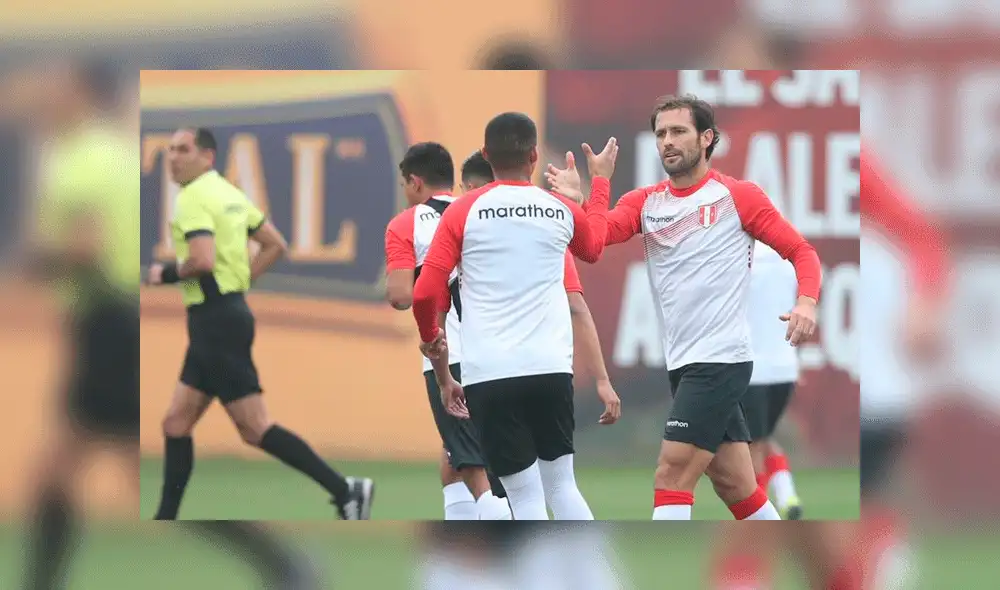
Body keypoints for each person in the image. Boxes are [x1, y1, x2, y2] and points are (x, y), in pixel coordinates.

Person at [547, 94, 822, 521]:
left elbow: (801, 251)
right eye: (660, 134)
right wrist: (589, 191)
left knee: (671, 475)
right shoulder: (644, 202)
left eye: (678, 131)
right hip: (684, 362)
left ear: (707, 138)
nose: (667, 142)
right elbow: (591, 245)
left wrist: (806, 301)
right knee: (738, 487)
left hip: (720, 361)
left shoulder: (738, 196)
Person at [146, 127, 374, 520]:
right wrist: (239, 283)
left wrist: (163, 275)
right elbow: (276, 245)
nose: (174, 157)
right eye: (170, 150)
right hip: (223, 315)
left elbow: (200, 260)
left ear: (207, 157)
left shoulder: (193, 197)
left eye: (183, 150)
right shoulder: (229, 193)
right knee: (176, 422)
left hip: (215, 322)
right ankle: (166, 518)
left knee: (254, 428)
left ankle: (346, 490)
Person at [411, 112, 618, 520]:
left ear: (487, 156)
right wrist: (601, 183)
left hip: (490, 373)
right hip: (551, 370)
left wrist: (434, 350)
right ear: (535, 156)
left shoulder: (462, 211)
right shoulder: (557, 208)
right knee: (562, 487)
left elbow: (424, 293)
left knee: (523, 499)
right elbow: (594, 247)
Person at [17, 59, 141, 590]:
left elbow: (85, 247)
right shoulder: (112, 152)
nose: (46, 94)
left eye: (57, 84)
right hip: (119, 321)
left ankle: (286, 564)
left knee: (60, 468)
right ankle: (285, 564)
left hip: (109, 321)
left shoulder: (80, 159)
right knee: (67, 468)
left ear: (84, 94)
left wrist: (29, 258)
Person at [384, 142, 512, 520]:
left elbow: (402, 297)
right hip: (502, 354)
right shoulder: (476, 211)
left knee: (476, 472)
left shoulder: (407, 222)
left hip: (450, 356)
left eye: (405, 184)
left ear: (415, 181)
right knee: (454, 462)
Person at [743, 241, 803, 520]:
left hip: (751, 368)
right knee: (763, 436)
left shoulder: (737, 256)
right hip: (785, 367)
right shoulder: (791, 259)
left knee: (750, 445)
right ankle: (787, 495)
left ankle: (760, 514)